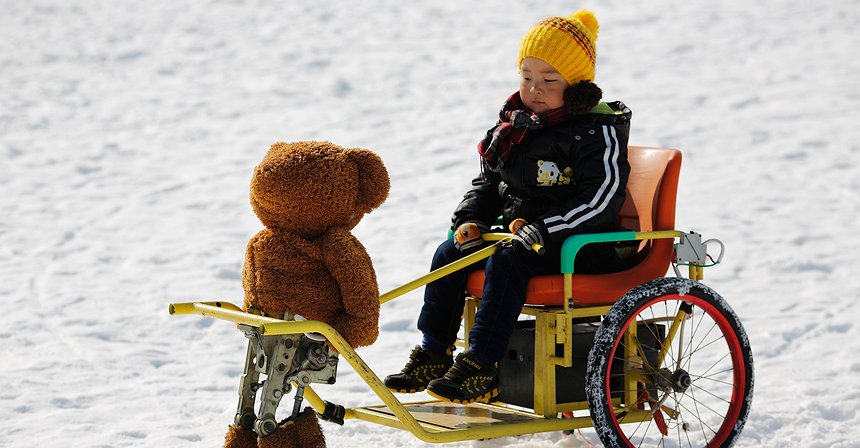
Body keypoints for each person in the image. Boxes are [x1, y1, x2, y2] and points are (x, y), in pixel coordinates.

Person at [383, 10, 633, 404]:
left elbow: (600, 198)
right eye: (527, 76)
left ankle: (482, 363)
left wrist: (546, 228)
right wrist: (470, 219)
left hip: (580, 244)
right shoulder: (518, 126)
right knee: (450, 252)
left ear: (578, 84)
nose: (535, 88)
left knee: (508, 261)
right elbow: (491, 182)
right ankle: (434, 351)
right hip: (524, 235)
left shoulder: (596, 130)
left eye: (550, 80)